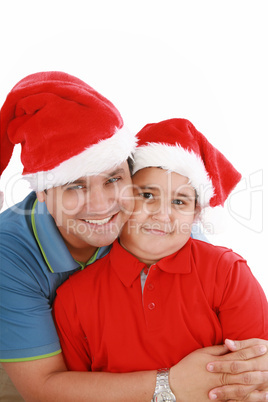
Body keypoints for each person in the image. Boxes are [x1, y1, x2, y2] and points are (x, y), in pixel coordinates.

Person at [0, 72, 267, 402]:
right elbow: (45, 389)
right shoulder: (12, 258)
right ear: (41, 191)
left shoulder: (164, 226)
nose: (101, 206)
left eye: (113, 179)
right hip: (29, 366)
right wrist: (171, 384)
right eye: (75, 186)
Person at [53, 118, 268, 401]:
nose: (162, 215)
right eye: (147, 195)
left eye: (179, 202)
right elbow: (76, 393)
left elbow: (253, 377)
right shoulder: (73, 298)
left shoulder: (227, 272)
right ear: (123, 199)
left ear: (196, 214)